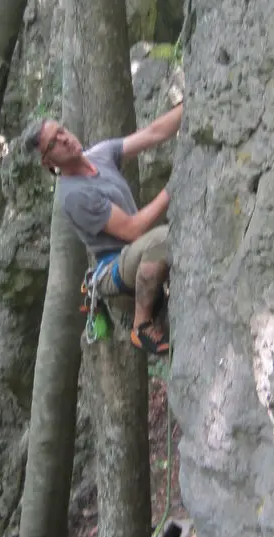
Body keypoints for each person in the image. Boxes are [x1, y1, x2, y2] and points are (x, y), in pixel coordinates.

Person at [21, 102, 183, 354]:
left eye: (61, 130)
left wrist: (190, 104)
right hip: (115, 267)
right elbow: (132, 230)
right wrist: (174, 186)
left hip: (136, 254)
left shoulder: (99, 154)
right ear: (47, 160)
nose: (64, 139)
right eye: (53, 143)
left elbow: (153, 133)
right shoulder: (73, 195)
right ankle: (141, 324)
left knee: (162, 242)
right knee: (163, 239)